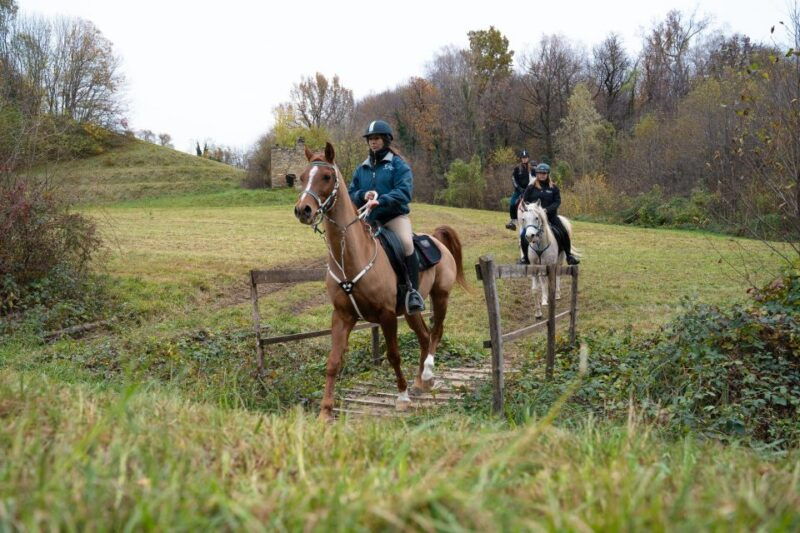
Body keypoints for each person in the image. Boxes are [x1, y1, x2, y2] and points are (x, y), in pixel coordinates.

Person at [348, 120, 425, 314]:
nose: (373, 142)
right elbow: (350, 193)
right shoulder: (362, 168)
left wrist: (381, 200)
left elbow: (404, 192)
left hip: (393, 218)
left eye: (377, 139)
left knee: (407, 244)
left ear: (386, 140)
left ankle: (412, 292)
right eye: (370, 139)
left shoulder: (398, 165)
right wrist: (362, 196)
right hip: (368, 220)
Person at [520, 162, 580, 265]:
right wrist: (530, 209)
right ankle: (525, 258)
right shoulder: (531, 187)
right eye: (539, 173)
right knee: (523, 235)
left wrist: (546, 210)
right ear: (536, 174)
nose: (541, 175)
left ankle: (569, 256)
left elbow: (557, 202)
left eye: (544, 173)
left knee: (563, 232)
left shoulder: (554, 188)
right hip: (534, 218)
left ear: (548, 174)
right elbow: (524, 201)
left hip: (550, 216)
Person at [506, 150, 535, 230]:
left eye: (525, 158)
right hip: (519, 190)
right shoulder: (517, 168)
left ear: (528, 158)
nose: (524, 159)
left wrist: (529, 189)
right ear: (521, 159)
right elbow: (513, 179)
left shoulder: (532, 169)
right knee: (512, 203)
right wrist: (519, 188)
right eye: (523, 158)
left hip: (529, 190)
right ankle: (513, 221)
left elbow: (534, 179)